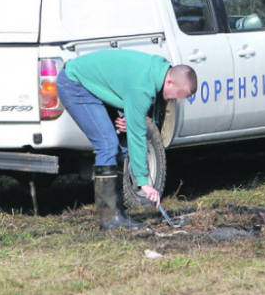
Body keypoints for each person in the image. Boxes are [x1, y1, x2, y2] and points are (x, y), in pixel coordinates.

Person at [57, 49, 197, 230]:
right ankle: (109, 219)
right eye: (179, 94)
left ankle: (119, 214)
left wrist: (131, 115)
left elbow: (145, 114)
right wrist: (144, 183)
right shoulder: (143, 88)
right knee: (107, 144)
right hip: (75, 83)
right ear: (170, 81)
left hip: (93, 85)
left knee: (121, 146)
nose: (178, 101)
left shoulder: (160, 71)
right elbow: (138, 134)